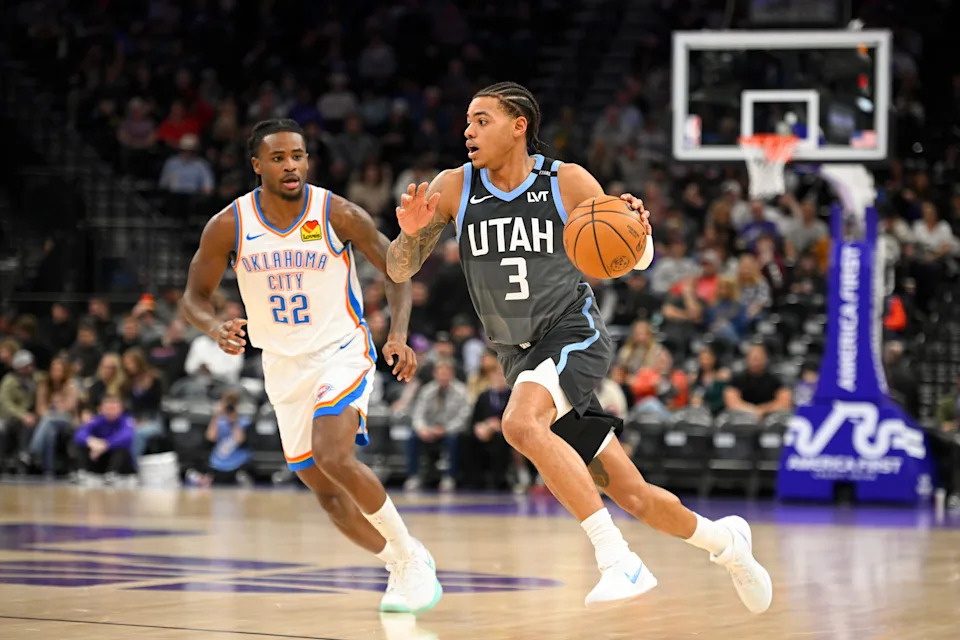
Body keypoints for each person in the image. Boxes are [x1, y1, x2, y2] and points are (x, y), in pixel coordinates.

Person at [385, 82, 772, 612]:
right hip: (518, 356)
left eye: (481, 120)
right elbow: (398, 268)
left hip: (573, 332)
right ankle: (727, 544)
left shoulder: (565, 181)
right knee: (631, 492)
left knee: (520, 424)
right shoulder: (455, 187)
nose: (467, 131)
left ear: (519, 125)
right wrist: (408, 235)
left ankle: (618, 560)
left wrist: (639, 230)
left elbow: (633, 259)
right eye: (468, 121)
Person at [180, 118, 441, 615]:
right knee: (325, 492)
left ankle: (409, 558)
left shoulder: (336, 212)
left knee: (333, 455)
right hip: (281, 365)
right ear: (257, 165)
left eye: (297, 155)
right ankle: (399, 560)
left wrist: (400, 335)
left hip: (341, 350)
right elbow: (194, 298)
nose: (291, 165)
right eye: (278, 158)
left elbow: (396, 268)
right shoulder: (230, 224)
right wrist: (213, 327)